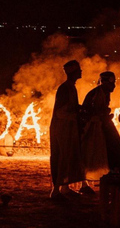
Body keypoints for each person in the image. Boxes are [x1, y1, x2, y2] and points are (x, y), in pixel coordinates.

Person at [80, 71, 120, 189]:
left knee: (115, 146)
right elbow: (86, 111)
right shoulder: (95, 94)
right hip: (94, 126)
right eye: (111, 83)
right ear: (104, 82)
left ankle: (114, 174)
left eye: (114, 83)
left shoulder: (105, 93)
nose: (114, 86)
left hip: (102, 123)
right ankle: (87, 182)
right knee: (92, 153)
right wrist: (100, 116)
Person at [49, 60, 85, 200]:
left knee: (68, 157)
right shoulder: (64, 88)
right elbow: (60, 112)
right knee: (61, 156)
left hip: (68, 127)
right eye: (79, 70)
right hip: (62, 127)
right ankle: (56, 190)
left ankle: (64, 188)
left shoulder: (70, 87)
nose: (81, 72)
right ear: (73, 72)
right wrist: (76, 114)